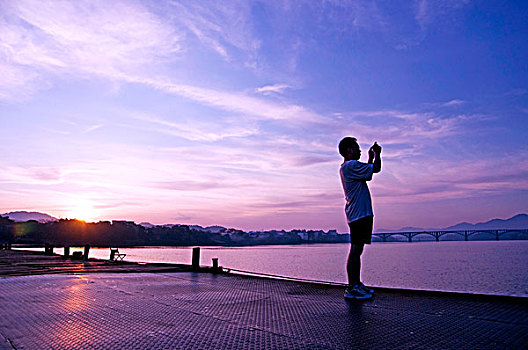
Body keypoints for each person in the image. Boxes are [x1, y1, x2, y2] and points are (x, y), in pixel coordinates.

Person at [338, 137, 381, 300]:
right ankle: (352, 287)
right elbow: (375, 169)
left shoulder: (349, 167)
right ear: (348, 150)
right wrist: (378, 154)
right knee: (356, 250)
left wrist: (370, 158)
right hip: (359, 214)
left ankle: (356, 284)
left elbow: (368, 174)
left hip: (358, 213)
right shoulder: (351, 166)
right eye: (356, 148)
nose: (359, 151)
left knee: (358, 250)